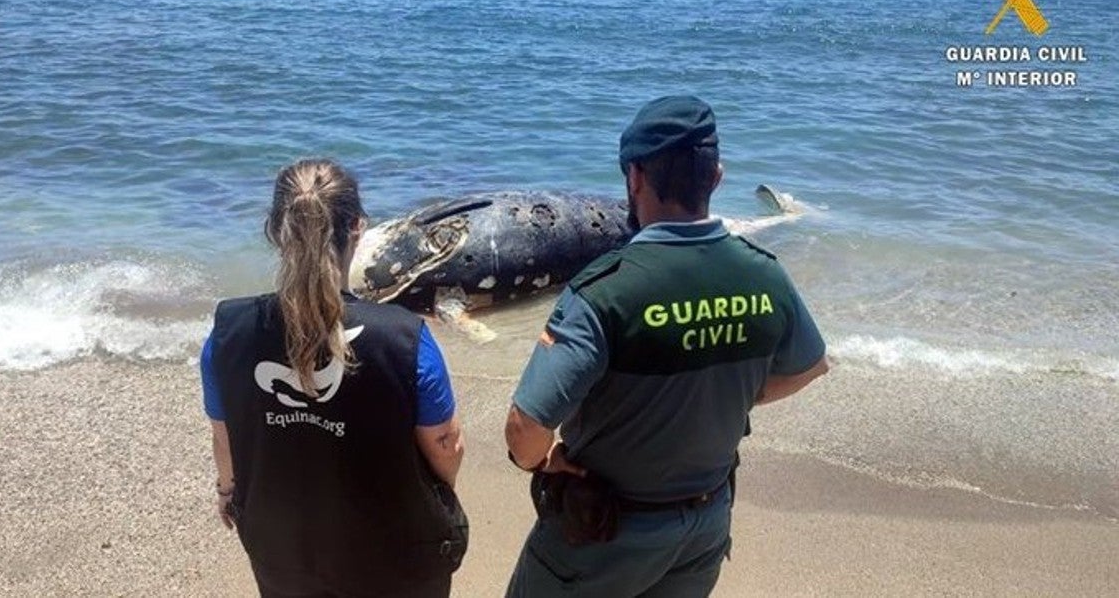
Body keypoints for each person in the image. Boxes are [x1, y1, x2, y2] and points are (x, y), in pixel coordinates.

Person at [504, 96, 829, 597]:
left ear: (635, 178)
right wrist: (735, 393)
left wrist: (541, 462)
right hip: (705, 524)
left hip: (604, 528)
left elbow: (527, 427)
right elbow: (812, 365)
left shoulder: (605, 291)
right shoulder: (764, 275)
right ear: (716, 176)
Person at [200, 159, 467, 598]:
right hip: (394, 556)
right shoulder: (403, 338)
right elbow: (445, 446)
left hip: (284, 550)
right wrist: (440, 498)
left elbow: (224, 437)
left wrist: (227, 492)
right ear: (358, 229)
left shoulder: (230, 333)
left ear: (274, 230)